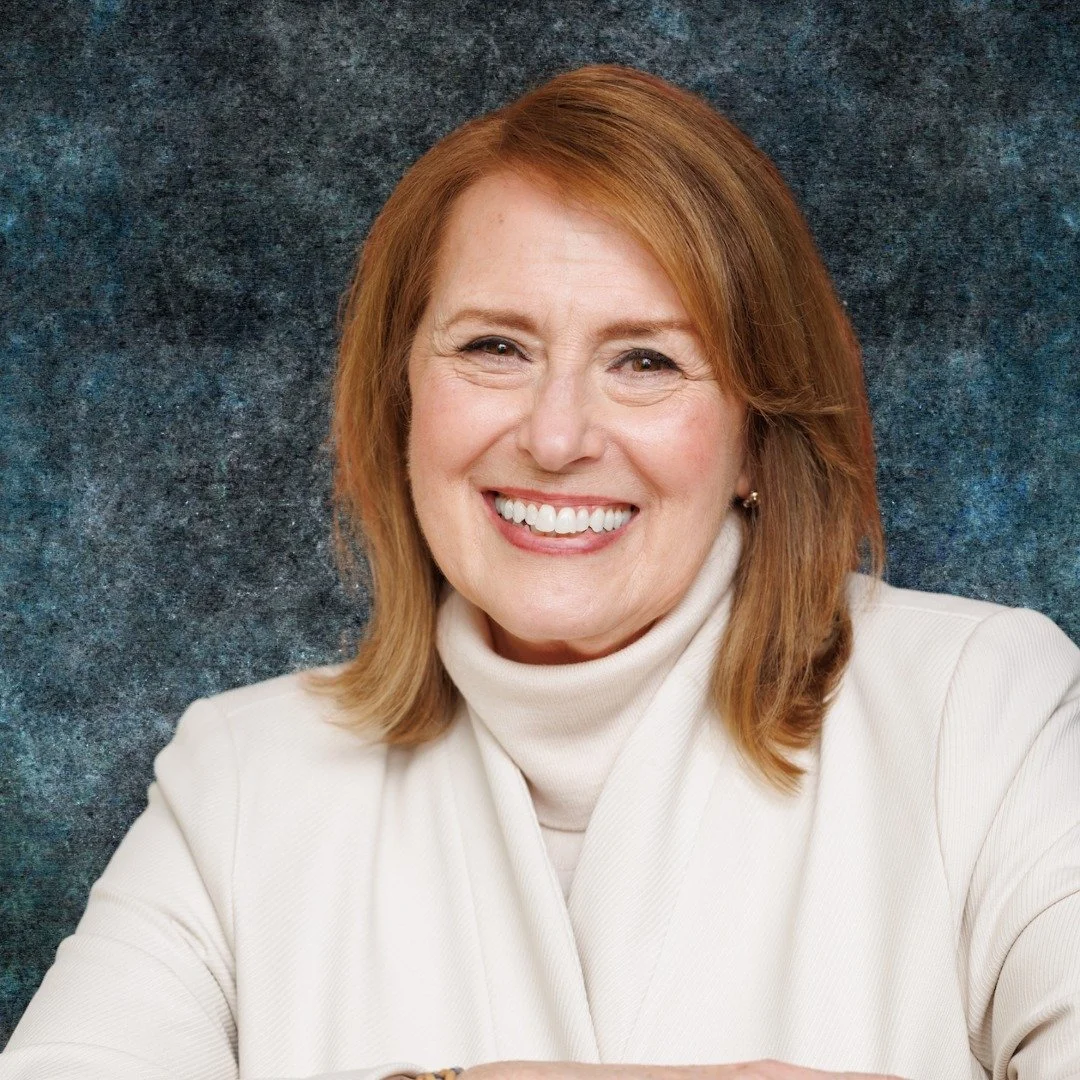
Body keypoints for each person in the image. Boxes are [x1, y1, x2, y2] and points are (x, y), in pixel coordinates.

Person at [1, 63, 1077, 1080]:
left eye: (646, 360)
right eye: (494, 349)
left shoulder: (986, 711)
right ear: (403, 398)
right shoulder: (239, 775)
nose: (556, 438)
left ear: (756, 433)